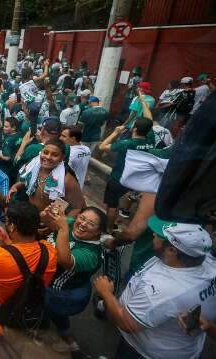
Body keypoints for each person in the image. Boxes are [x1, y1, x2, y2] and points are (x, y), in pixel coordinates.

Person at [94, 216, 215, 359]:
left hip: (144, 353)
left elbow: (126, 323)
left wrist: (106, 293)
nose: (153, 234)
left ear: (171, 250)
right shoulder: (202, 259)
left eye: (158, 235)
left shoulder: (162, 291)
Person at [0, 201, 57, 359]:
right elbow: (24, 264)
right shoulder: (49, 252)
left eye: (7, 221)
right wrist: (6, 240)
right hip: (23, 323)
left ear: (13, 227)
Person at [44, 205, 106, 355]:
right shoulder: (71, 222)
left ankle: (50, 341)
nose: (83, 223)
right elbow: (47, 220)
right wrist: (47, 213)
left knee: (44, 312)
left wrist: (63, 229)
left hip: (61, 292)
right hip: (48, 283)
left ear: (99, 232)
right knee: (56, 315)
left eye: (91, 224)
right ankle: (67, 337)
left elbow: (65, 260)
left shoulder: (91, 254)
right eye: (82, 218)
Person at [99, 118, 154, 233]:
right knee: (118, 200)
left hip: (118, 178)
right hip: (133, 180)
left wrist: (115, 132)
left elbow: (102, 146)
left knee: (112, 205)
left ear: (135, 129)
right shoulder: (150, 141)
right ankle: (113, 223)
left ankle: (108, 229)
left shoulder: (127, 143)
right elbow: (149, 119)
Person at [10, 139, 85, 217]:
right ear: (41, 152)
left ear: (62, 158)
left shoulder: (66, 180)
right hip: (30, 217)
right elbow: (29, 181)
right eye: (45, 152)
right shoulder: (34, 167)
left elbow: (77, 207)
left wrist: (60, 224)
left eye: (55, 155)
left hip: (49, 224)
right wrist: (15, 186)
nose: (48, 157)